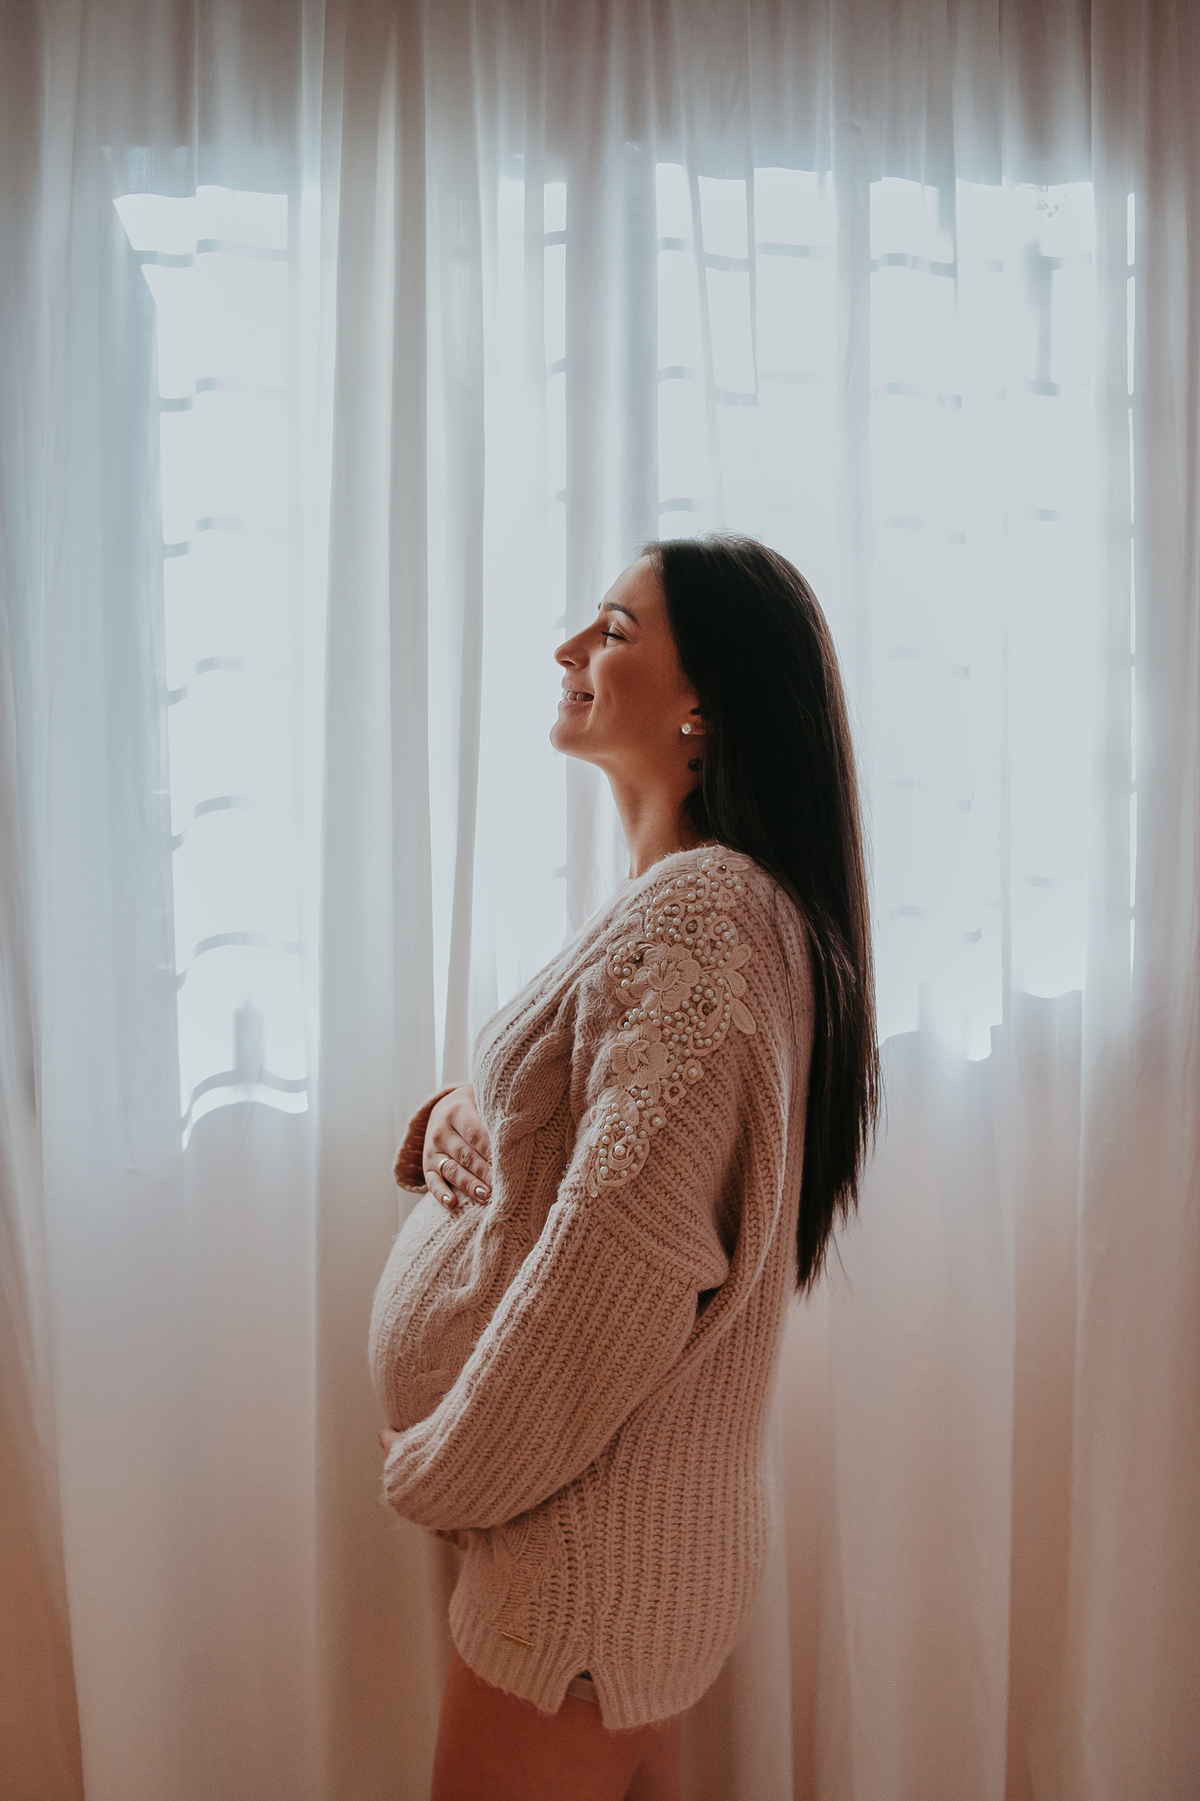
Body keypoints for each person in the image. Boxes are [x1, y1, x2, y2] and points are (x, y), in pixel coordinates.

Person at [370, 535, 879, 1801]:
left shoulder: (706, 914)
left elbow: (618, 1272)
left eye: (609, 627)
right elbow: (597, 1155)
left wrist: (439, 1472)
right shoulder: (696, 904)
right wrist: (455, 1113)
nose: (567, 650)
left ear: (706, 699)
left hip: (581, 1561)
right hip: (623, 1545)